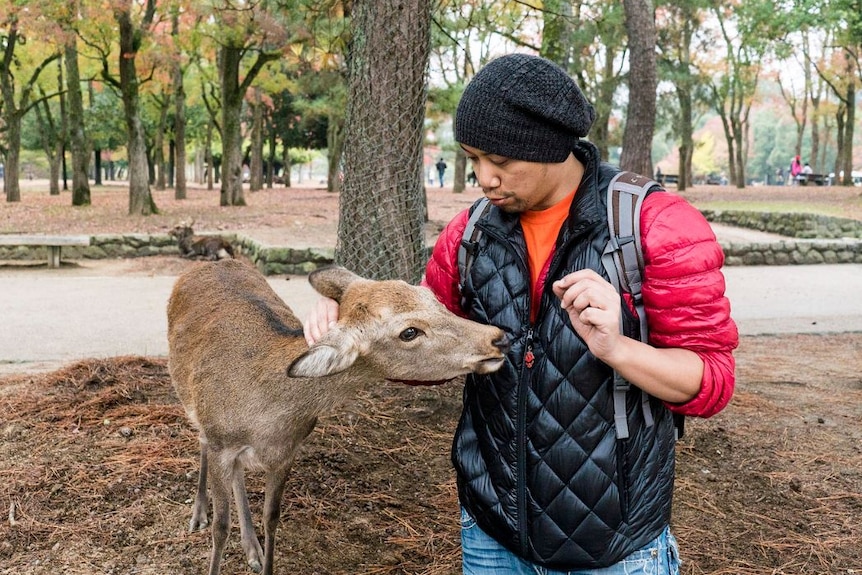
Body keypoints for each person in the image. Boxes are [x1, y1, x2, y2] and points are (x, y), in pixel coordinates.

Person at [305, 54, 738, 574]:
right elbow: (420, 348)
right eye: (472, 159)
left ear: (549, 148)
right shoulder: (468, 236)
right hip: (491, 533)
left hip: (614, 546)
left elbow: (712, 381)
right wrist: (349, 313)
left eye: (500, 161)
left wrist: (618, 348)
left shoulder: (655, 226)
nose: (484, 179)